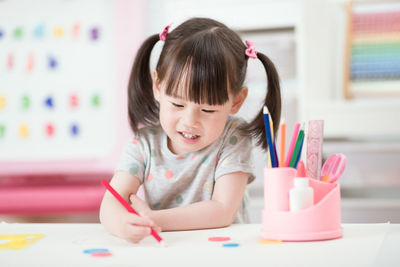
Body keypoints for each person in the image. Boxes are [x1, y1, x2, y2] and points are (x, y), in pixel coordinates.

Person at [99, 17, 281, 243]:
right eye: (177, 105)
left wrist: (155, 218)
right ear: (158, 86)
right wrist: (122, 224)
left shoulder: (233, 138)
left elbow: (222, 210)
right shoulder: (143, 144)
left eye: (207, 110)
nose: (190, 121)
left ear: (236, 101)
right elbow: (110, 203)